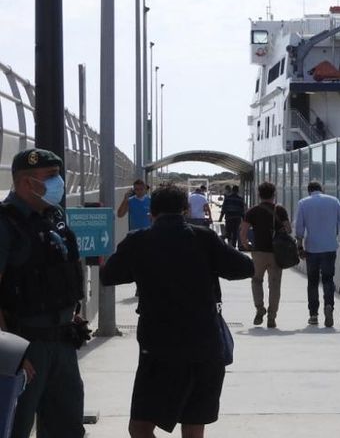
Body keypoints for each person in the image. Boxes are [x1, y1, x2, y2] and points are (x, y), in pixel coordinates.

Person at [101, 184, 254, 438]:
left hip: (159, 348)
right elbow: (244, 268)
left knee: (140, 427)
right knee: (194, 426)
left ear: (151, 212)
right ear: (184, 210)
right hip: (204, 346)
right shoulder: (204, 238)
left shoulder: (138, 241)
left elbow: (108, 276)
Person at [0, 148, 86, 438]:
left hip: (63, 342)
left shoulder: (55, 216)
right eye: (50, 177)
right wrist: (7, 354)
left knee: (67, 427)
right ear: (26, 183)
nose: (59, 182)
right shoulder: (5, 223)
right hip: (24, 347)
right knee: (16, 427)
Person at [294, 181, 340, 327]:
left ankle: (313, 314)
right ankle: (329, 306)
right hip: (329, 247)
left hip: (312, 248)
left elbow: (299, 227)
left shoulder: (303, 203)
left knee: (312, 282)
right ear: (322, 189)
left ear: (309, 191)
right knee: (328, 279)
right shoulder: (333, 201)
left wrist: (299, 245)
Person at [240, 181, 291, 329]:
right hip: (276, 254)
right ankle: (272, 317)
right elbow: (288, 229)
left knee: (256, 281)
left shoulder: (252, 211)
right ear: (274, 194)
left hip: (258, 252)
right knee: (274, 286)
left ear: (259, 194)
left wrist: (246, 244)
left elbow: (243, 231)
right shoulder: (280, 210)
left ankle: (259, 308)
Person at [219, 185, 246, 249]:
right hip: (237, 219)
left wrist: (220, 218)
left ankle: (229, 245)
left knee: (228, 232)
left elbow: (223, 209)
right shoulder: (240, 199)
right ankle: (233, 246)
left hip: (229, 218)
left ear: (232, 190)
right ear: (238, 191)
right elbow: (242, 210)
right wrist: (244, 219)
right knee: (235, 232)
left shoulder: (227, 198)